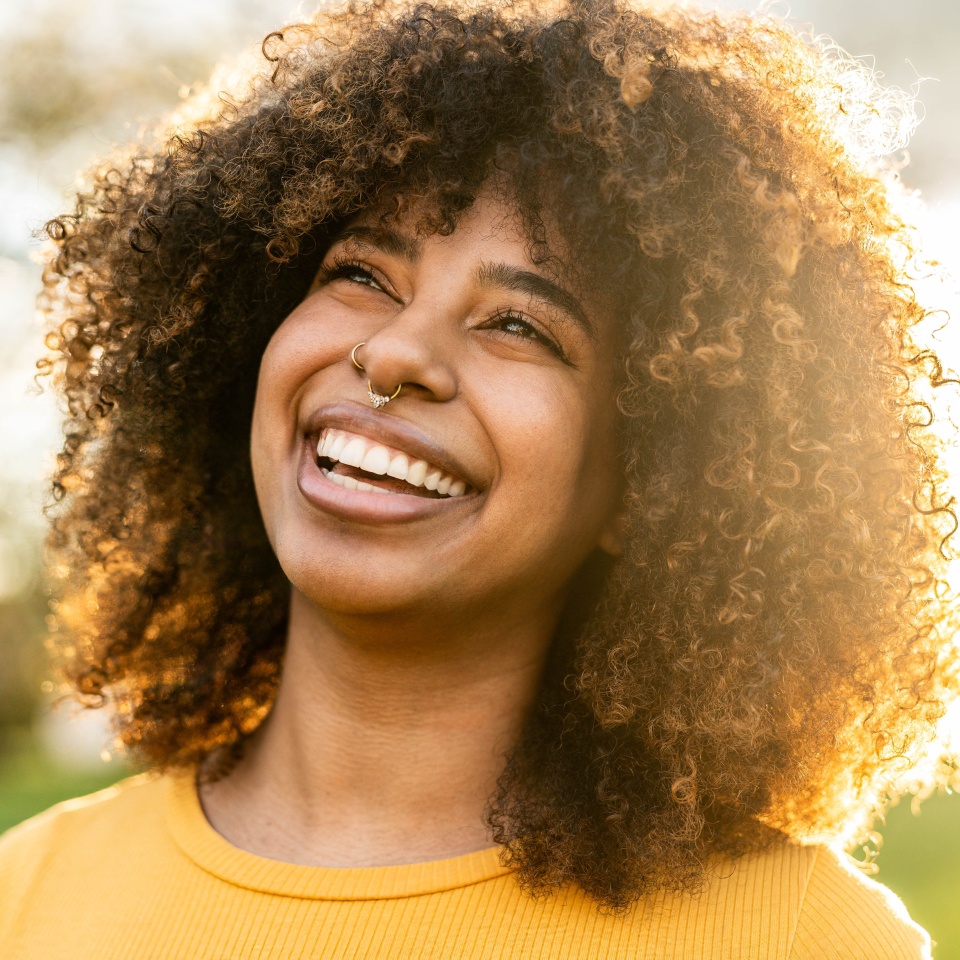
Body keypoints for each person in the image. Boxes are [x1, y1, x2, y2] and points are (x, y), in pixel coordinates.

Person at [1, 0, 954, 956]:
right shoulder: (26, 896)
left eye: (519, 325)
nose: (394, 353)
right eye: (361, 274)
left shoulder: (797, 938)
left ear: (655, 479)